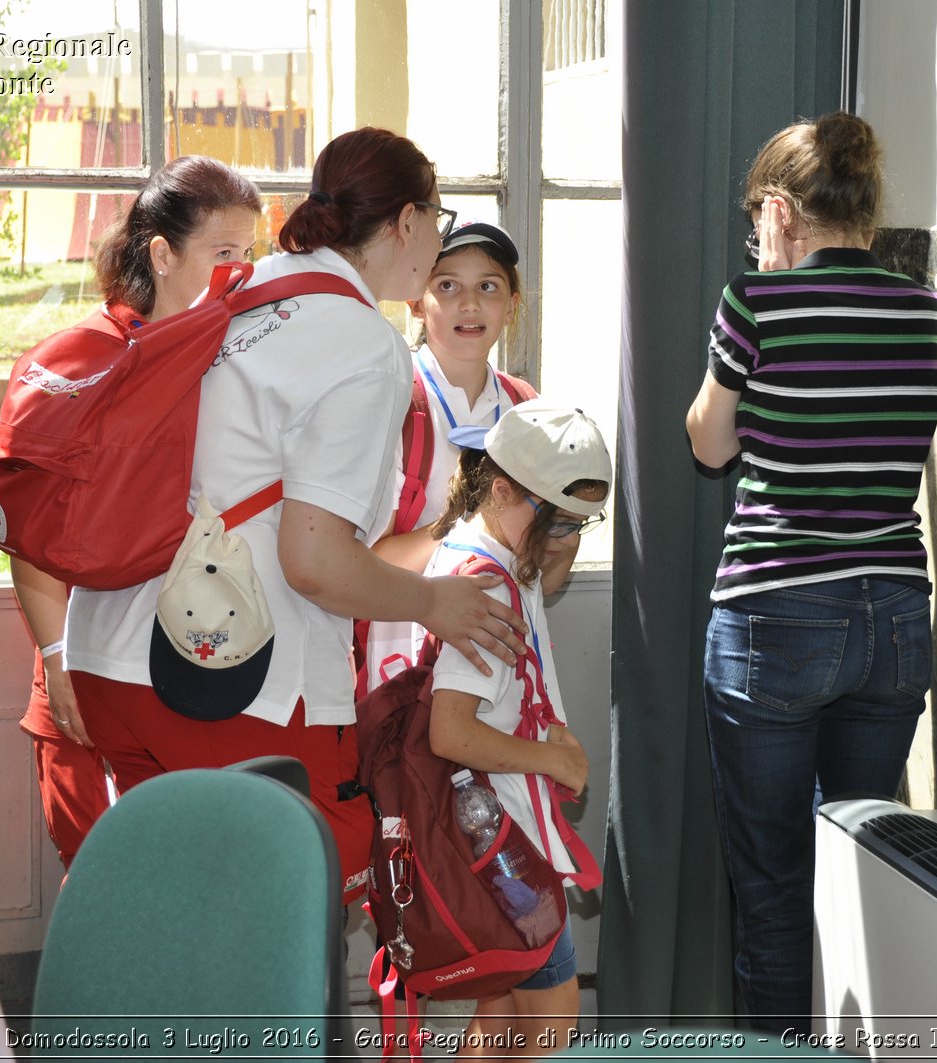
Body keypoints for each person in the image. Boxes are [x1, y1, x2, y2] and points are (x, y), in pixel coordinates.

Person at [61, 127, 527, 902]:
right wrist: (433, 603)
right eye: (438, 223)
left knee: (173, 903)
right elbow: (312, 559)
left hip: (113, 646)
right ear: (408, 222)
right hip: (225, 667)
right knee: (279, 902)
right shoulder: (361, 341)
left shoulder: (246, 285)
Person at [684, 111, 937, 1035]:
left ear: (779, 211)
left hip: (778, 614)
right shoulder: (927, 312)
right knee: (860, 867)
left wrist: (764, 281)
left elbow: (708, 444)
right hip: (893, 618)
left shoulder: (757, 301)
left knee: (771, 884)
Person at [9, 154, 262, 869]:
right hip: (85, 673)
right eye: (222, 253)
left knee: (182, 884)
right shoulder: (90, 358)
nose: (239, 270)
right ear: (162, 252)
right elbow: (27, 533)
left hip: (182, 675)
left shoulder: (230, 354)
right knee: (103, 888)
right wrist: (60, 665)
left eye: (249, 252)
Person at [420, 402, 609, 1059]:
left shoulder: (482, 544)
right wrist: (552, 760)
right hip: (505, 848)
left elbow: (540, 571)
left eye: (582, 523)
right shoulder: (486, 589)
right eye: (557, 518)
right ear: (501, 488)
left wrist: (553, 538)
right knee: (553, 1022)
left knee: (499, 1010)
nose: (565, 538)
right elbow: (451, 731)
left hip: (488, 833)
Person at [364, 221, 573, 694]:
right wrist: (464, 523)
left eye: (488, 287)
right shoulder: (393, 401)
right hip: (405, 665)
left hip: (504, 660)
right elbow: (363, 564)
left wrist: (564, 536)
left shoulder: (525, 408)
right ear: (416, 302)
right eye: (447, 285)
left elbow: (543, 577)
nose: (470, 303)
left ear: (512, 305)